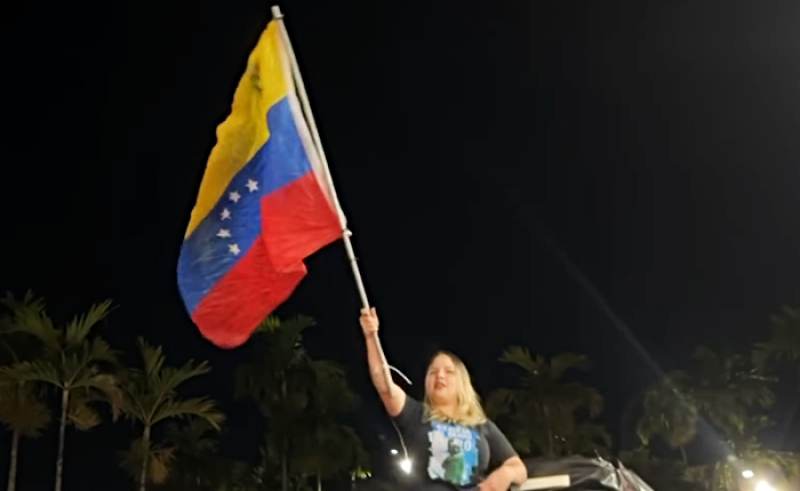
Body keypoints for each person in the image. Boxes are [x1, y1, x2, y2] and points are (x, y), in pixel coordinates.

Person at [360, 307, 528, 491]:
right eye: (433, 372)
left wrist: (505, 474)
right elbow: (384, 386)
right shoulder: (416, 414)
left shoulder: (482, 425)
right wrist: (371, 337)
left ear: (462, 382)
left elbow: (518, 467)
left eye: (448, 372)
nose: (440, 376)